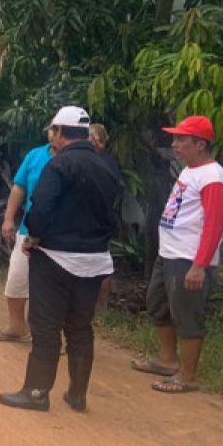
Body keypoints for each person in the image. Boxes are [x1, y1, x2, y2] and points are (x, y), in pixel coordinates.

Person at [0, 106, 121, 412]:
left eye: (51, 131)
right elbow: (112, 215)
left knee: (46, 326)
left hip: (54, 259)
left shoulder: (59, 165)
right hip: (94, 260)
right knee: (80, 327)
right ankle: (77, 394)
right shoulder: (106, 166)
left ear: (58, 132)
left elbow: (41, 209)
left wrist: (34, 238)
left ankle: (37, 393)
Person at [132, 115, 223, 394]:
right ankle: (167, 360)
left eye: (181, 139)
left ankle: (187, 377)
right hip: (170, 253)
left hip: (189, 258)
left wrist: (199, 266)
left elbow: (214, 224)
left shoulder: (214, 177)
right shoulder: (189, 171)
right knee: (158, 304)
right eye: (175, 138)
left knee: (188, 315)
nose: (174, 144)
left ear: (200, 144)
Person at [0, 128, 55, 342]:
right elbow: (18, 188)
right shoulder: (35, 155)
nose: (53, 134)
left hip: (59, 236)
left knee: (53, 289)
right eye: (51, 129)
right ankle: (17, 326)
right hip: (28, 230)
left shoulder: (72, 159)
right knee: (16, 279)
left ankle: (51, 336)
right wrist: (8, 218)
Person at [89, 123, 122, 311]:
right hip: (99, 219)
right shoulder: (104, 160)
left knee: (101, 264)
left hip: (98, 220)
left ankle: (102, 305)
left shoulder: (104, 162)